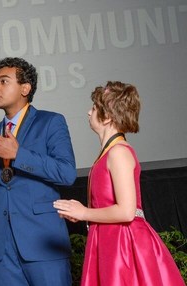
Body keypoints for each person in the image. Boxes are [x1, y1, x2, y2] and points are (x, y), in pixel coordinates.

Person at [0, 57, 77, 285]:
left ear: (25, 88)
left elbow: (67, 173)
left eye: (3, 81)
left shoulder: (51, 122)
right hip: (3, 249)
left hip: (43, 243)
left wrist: (19, 155)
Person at [53, 81, 185, 285]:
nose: (89, 112)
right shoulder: (110, 152)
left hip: (124, 244)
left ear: (107, 117)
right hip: (111, 240)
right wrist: (82, 214)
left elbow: (126, 212)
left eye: (95, 108)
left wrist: (84, 213)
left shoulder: (119, 153)